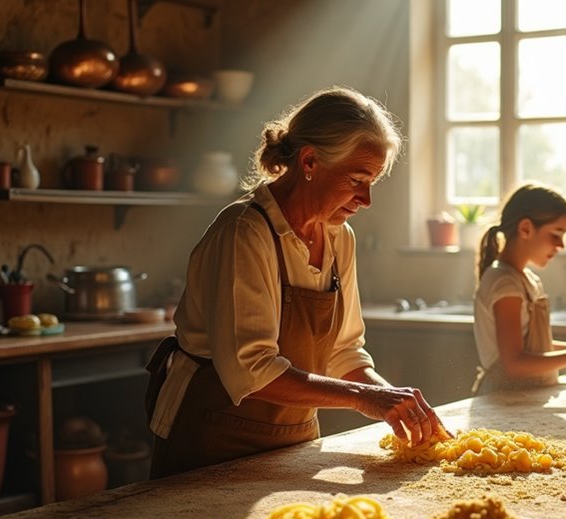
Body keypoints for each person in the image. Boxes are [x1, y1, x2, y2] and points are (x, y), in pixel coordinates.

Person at [144, 86, 449, 479]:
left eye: (372, 182)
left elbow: (344, 352)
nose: (366, 199)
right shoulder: (245, 233)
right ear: (309, 161)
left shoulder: (339, 237)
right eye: (357, 179)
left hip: (295, 437)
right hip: (211, 440)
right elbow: (251, 371)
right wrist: (365, 398)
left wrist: (396, 403)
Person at [471, 183, 566, 394]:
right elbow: (515, 363)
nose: (561, 245)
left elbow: (533, 350)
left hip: (524, 396)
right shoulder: (504, 283)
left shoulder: (527, 279)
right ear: (526, 228)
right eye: (556, 234)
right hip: (503, 399)